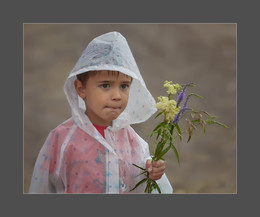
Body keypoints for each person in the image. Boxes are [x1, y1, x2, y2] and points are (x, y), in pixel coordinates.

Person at [28, 31, 173, 193]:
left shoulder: (132, 140)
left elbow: (146, 183)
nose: (117, 96)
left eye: (124, 86)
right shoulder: (61, 139)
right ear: (81, 89)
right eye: (105, 85)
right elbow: (41, 188)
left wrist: (153, 172)